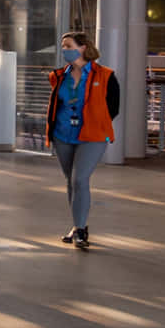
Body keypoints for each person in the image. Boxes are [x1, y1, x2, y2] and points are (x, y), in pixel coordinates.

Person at [47, 30, 119, 250]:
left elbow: (113, 107)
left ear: (83, 48)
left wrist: (96, 121)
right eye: (63, 46)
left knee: (80, 180)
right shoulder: (58, 76)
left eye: (68, 46)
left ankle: (80, 230)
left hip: (92, 136)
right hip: (62, 135)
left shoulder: (105, 75)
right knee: (71, 181)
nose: (64, 50)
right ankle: (78, 225)